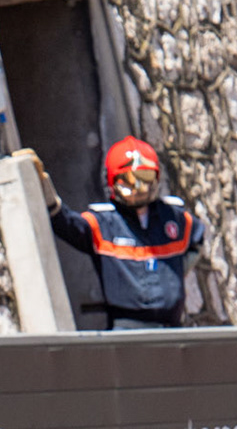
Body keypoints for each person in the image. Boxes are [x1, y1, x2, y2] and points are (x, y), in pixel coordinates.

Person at [21, 136, 207, 329]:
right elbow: (66, 223)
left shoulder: (173, 217)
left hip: (172, 328)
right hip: (126, 329)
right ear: (113, 182)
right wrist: (44, 188)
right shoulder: (104, 224)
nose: (138, 190)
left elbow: (198, 239)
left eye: (145, 179)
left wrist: (175, 274)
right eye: (129, 181)